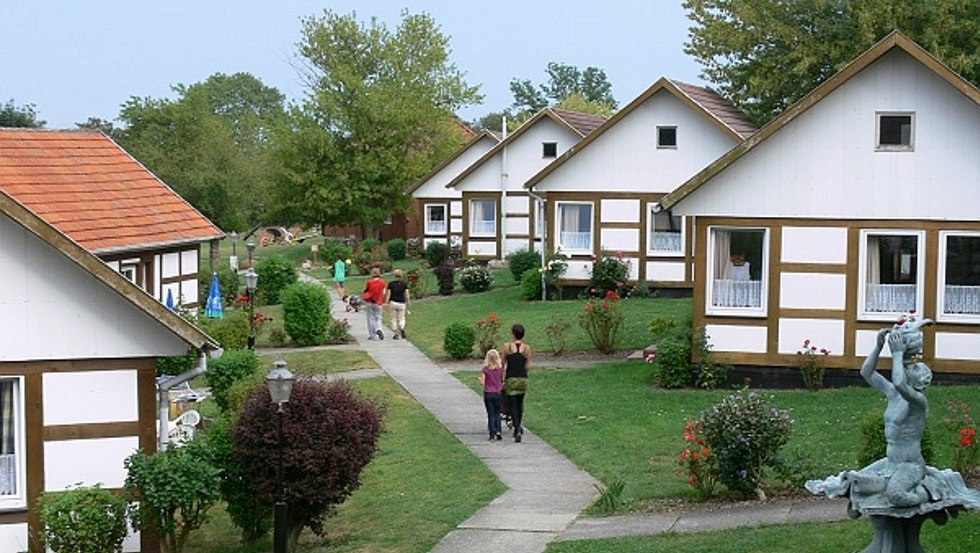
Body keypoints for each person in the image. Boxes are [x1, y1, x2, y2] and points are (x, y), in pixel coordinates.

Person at [503, 324, 531, 443]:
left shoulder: (507, 347)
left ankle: (516, 429)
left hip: (511, 378)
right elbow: (528, 365)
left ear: (513, 334)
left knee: (512, 405)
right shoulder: (527, 348)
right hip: (522, 379)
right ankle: (519, 425)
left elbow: (503, 363)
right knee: (520, 404)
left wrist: (502, 378)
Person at [479, 349, 504, 441]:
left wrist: (480, 380)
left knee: (491, 414)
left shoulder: (485, 369)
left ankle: (492, 434)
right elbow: (502, 380)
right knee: (498, 413)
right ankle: (498, 431)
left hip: (488, 393)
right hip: (498, 393)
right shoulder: (500, 369)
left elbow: (482, 382)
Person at [383, 269, 410, 339]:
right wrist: (408, 301)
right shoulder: (404, 284)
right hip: (401, 303)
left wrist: (386, 302)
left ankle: (395, 333)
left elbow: (389, 294)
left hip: (393, 302)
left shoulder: (391, 284)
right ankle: (402, 327)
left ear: (394, 275)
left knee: (393, 318)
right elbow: (407, 294)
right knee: (401, 318)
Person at [362, 267, 387, 340]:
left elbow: (366, 290)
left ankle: (372, 335)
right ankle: (379, 328)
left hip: (369, 301)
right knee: (378, 317)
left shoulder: (369, 282)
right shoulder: (382, 282)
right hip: (378, 302)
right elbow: (384, 292)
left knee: (370, 318)